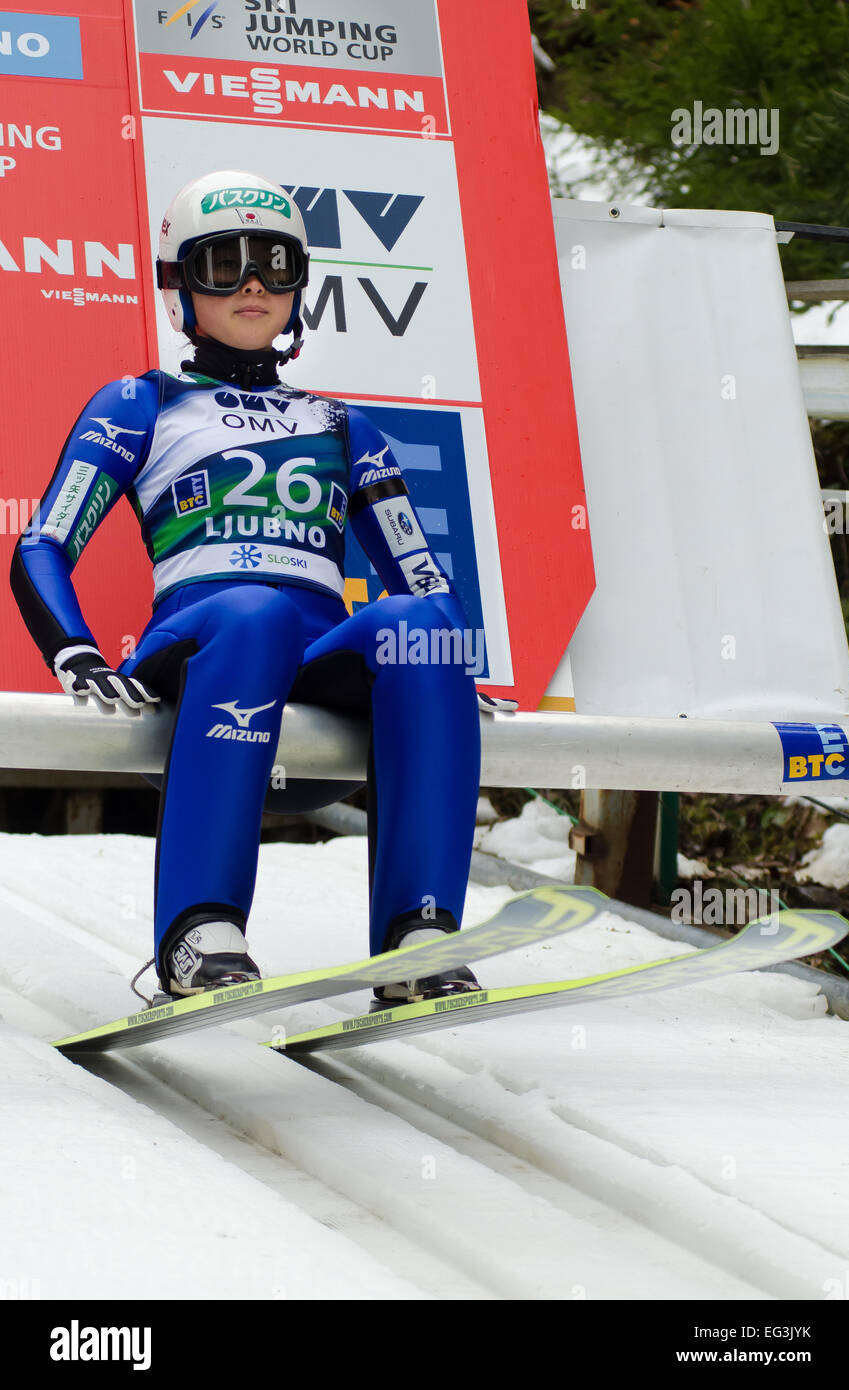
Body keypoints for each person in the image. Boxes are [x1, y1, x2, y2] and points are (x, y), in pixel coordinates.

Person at [11, 168, 495, 1007]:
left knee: (418, 625)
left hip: (314, 656)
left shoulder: (345, 424)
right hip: (204, 644)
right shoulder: (141, 404)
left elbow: (419, 574)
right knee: (254, 611)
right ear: (178, 285)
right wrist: (73, 650)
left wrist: (448, 663)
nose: (254, 285)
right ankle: (199, 934)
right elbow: (44, 542)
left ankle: (417, 936)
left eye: (274, 263)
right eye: (222, 264)